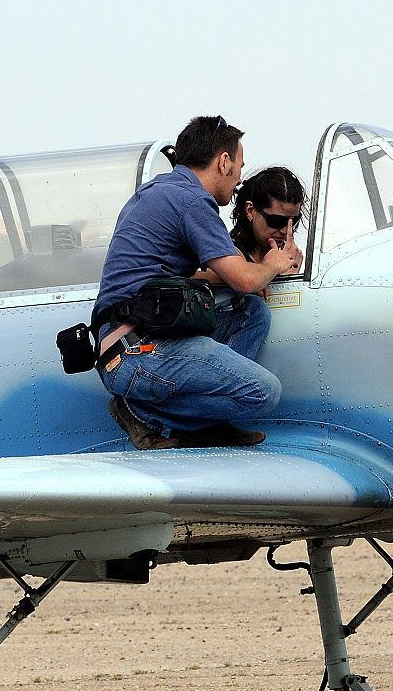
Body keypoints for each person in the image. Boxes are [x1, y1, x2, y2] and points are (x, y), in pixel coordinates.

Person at [92, 116, 302, 449]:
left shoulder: (161, 192)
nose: (238, 181)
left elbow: (211, 274)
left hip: (138, 335)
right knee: (263, 392)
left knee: (251, 312)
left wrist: (256, 269)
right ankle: (142, 413)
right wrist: (273, 265)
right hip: (136, 349)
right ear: (224, 161)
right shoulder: (192, 201)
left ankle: (202, 423)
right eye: (239, 167)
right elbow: (243, 279)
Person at [228, 166, 307, 269]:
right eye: (276, 221)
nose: (285, 231)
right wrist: (286, 278)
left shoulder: (283, 256)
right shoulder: (225, 255)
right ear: (250, 210)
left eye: (293, 222)